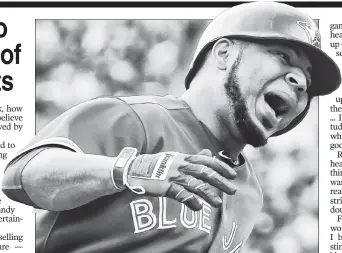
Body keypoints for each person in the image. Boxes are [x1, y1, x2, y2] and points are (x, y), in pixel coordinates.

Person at [2, 2, 341, 253]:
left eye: (308, 82)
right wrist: (128, 169)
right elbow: (20, 177)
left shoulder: (249, 194)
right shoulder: (137, 118)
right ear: (223, 53)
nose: (299, 83)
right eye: (283, 56)